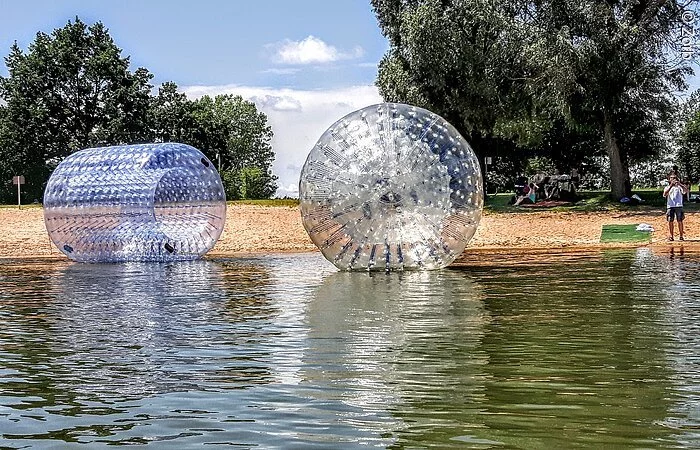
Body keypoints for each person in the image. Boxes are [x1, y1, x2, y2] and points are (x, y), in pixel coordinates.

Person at [663, 174, 688, 241]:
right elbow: (665, 194)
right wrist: (671, 186)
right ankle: (671, 236)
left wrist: (680, 184)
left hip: (678, 206)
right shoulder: (667, 187)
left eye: (675, 178)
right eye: (672, 178)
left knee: (680, 221)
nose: (673, 179)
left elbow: (686, 191)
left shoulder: (679, 187)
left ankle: (681, 236)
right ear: (669, 179)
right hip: (670, 206)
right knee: (670, 221)